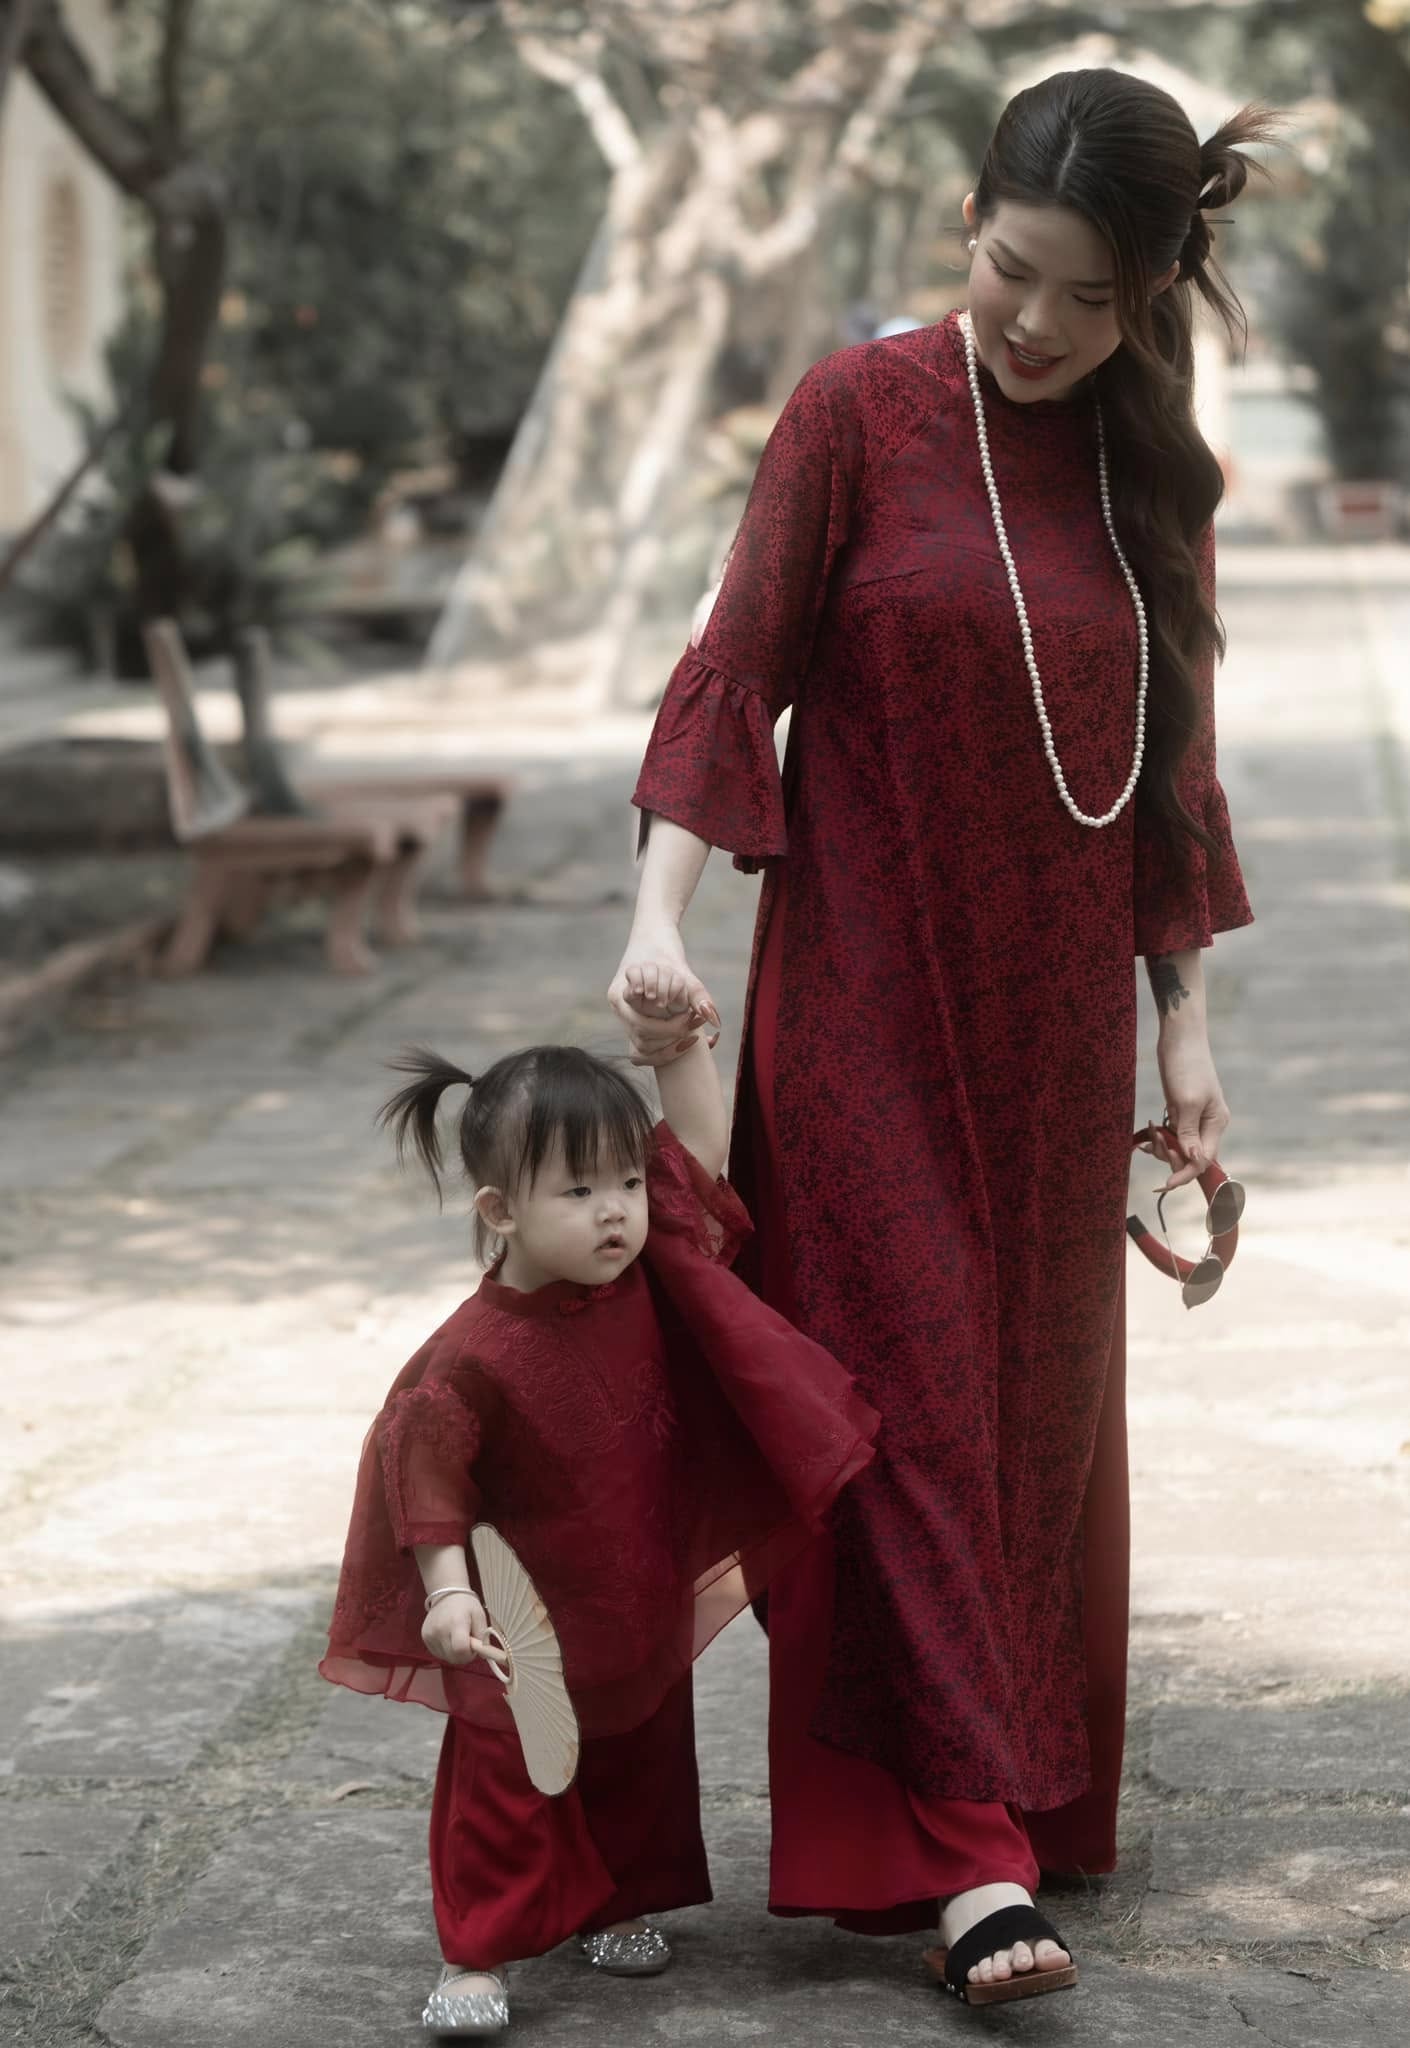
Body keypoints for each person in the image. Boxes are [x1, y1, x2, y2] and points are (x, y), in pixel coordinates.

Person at [611, 67, 1276, 2009]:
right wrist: (659, 917)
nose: (1037, 323)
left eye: (1088, 295)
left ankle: (1015, 1788)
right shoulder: (858, 412)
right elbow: (738, 662)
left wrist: (1186, 1031)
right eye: (1011, 271)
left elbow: (1171, 773)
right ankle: (969, 1854)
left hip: (1058, 1034)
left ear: (1150, 293)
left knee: (1031, 1419)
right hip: (863, 1008)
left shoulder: (1151, 476)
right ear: (968, 227)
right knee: (899, 1401)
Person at [319, 1033, 876, 2037]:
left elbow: (697, 1148)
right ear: (501, 1211)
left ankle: (617, 1901)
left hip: (630, 1580)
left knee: (637, 1749)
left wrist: (679, 1042)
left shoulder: (650, 1272)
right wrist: (449, 1591)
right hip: (518, 1609)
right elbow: (428, 1480)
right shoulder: (474, 1355)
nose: (616, 1208)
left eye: (625, 1181)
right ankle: (475, 1952)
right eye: (579, 1190)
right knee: (507, 1781)